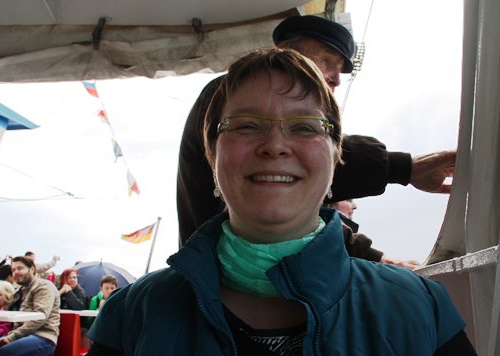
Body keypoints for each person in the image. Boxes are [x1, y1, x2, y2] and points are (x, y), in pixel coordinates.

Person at [61, 49, 500, 356]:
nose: (274, 144)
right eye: (246, 125)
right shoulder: (133, 313)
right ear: (212, 157)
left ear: (336, 158)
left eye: (305, 126)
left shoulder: (420, 307)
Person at [176, 14, 456, 246]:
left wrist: (368, 257)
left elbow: (303, 218)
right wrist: (405, 167)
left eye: (303, 129)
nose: (336, 79)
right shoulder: (228, 93)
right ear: (284, 53)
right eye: (326, 60)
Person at [329, 198, 420, 269]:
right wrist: (387, 262)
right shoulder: (331, 226)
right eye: (348, 200)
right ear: (330, 204)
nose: (355, 206)